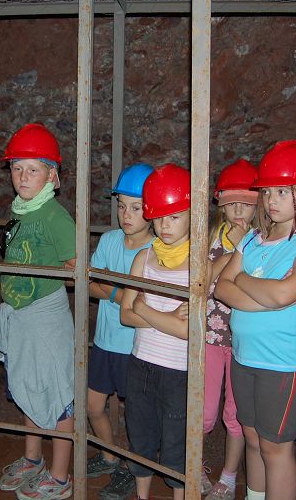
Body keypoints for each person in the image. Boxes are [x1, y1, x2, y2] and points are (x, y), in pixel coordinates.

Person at [214, 141, 296, 500]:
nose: (271, 200)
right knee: (251, 438)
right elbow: (222, 288)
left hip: (282, 364)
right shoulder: (253, 238)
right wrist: (264, 295)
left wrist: (245, 281)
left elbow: (284, 294)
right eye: (267, 192)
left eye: (283, 191)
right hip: (243, 356)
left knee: (275, 448)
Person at [0, 123, 76, 500]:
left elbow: (76, 265)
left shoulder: (54, 216)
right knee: (28, 385)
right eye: (17, 168)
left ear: (51, 175)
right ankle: (33, 458)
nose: (23, 177)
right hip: (20, 314)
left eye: (33, 169)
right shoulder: (20, 212)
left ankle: (60, 476)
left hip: (46, 316)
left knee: (57, 391)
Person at [120, 164, 192, 500]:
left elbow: (186, 330)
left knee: (177, 442)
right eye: (160, 217)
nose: (165, 225)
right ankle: (142, 495)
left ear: (191, 215)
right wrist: (167, 318)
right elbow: (125, 314)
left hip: (179, 370)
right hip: (141, 363)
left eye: (174, 216)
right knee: (140, 435)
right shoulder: (143, 257)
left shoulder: (199, 265)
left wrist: (146, 310)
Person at [87, 163, 155, 500]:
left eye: (136, 207)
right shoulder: (110, 239)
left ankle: (133, 468)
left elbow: (142, 303)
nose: (126, 215)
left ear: (152, 209)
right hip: (104, 341)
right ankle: (111, 455)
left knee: (137, 417)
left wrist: (109, 289)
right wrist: (121, 293)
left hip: (136, 348)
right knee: (93, 406)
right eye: (122, 206)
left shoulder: (156, 250)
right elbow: (88, 284)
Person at [203, 159, 258, 500]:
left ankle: (229, 476)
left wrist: (245, 246)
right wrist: (234, 251)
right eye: (232, 202)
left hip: (243, 340)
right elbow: (202, 280)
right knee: (205, 411)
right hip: (210, 336)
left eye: (246, 203)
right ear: (221, 204)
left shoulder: (264, 239)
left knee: (235, 414)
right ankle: (193, 465)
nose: (238, 210)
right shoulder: (210, 235)